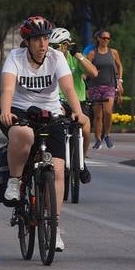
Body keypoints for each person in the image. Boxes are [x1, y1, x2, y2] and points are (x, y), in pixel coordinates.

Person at [0, 16, 87, 253]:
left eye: (45, 39)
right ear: (27, 41)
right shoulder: (15, 58)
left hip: (51, 113)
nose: (42, 44)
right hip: (20, 111)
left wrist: (78, 112)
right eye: (37, 39)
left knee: (58, 170)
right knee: (24, 135)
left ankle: (54, 228)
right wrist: (5, 111)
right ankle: (15, 181)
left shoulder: (57, 58)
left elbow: (68, 88)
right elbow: (7, 88)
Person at [48, 28, 94, 182]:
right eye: (52, 46)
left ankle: (81, 159)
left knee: (86, 126)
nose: (54, 50)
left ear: (66, 45)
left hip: (78, 102)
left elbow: (93, 73)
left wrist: (78, 55)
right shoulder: (49, 60)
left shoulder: (75, 58)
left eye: (58, 46)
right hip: (58, 102)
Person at [84, 28, 121, 148]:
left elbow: (119, 66)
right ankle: (98, 139)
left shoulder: (113, 52)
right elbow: (86, 69)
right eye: (104, 38)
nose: (106, 40)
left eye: (108, 38)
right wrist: (88, 74)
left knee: (108, 112)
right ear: (98, 39)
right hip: (95, 86)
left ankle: (107, 135)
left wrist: (120, 81)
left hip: (109, 85)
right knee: (98, 115)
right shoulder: (92, 53)